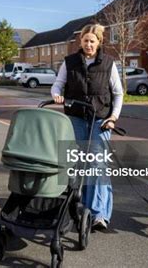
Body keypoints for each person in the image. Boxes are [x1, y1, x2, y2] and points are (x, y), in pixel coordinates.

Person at [51, 23, 123, 229]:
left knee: (97, 167)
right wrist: (56, 95)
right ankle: (74, 208)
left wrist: (113, 118)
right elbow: (58, 83)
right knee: (74, 165)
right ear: (80, 42)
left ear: (99, 42)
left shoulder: (108, 63)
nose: (89, 44)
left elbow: (118, 94)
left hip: (100, 121)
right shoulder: (70, 62)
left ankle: (99, 214)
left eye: (92, 41)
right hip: (75, 119)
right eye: (85, 41)